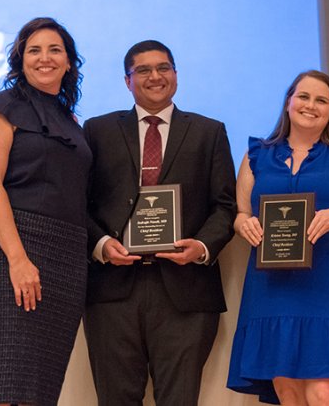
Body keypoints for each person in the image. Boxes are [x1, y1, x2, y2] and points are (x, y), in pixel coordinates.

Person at [83, 40, 236, 406]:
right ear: (127, 81)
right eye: (144, 70)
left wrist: (200, 247)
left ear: (176, 75)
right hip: (113, 292)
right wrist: (102, 245)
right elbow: (79, 205)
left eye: (164, 68)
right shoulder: (97, 130)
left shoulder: (208, 132)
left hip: (185, 292)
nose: (155, 76)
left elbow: (225, 206)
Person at [227, 70, 329, 405]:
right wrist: (243, 225)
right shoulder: (257, 155)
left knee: (325, 393)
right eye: (304, 97)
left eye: (322, 100)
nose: (311, 105)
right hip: (272, 286)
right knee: (287, 392)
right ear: (289, 102)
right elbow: (241, 213)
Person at [0, 17, 90, 405]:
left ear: (69, 62)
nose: (45, 58)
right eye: (34, 50)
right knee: (3, 382)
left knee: (40, 388)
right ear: (20, 61)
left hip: (65, 260)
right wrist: (18, 260)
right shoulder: (1, 109)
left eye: (55, 50)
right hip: (10, 254)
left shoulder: (70, 120)